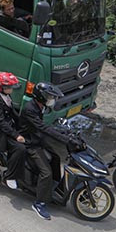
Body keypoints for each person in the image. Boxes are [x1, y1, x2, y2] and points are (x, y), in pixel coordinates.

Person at [19, 82, 85, 220]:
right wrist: (65, 140)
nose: (51, 99)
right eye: (49, 96)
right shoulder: (30, 109)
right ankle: (39, 203)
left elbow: (45, 127)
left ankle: (53, 189)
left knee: (55, 158)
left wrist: (67, 133)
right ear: (40, 96)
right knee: (46, 172)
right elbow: (44, 128)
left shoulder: (40, 106)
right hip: (30, 142)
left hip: (37, 138)